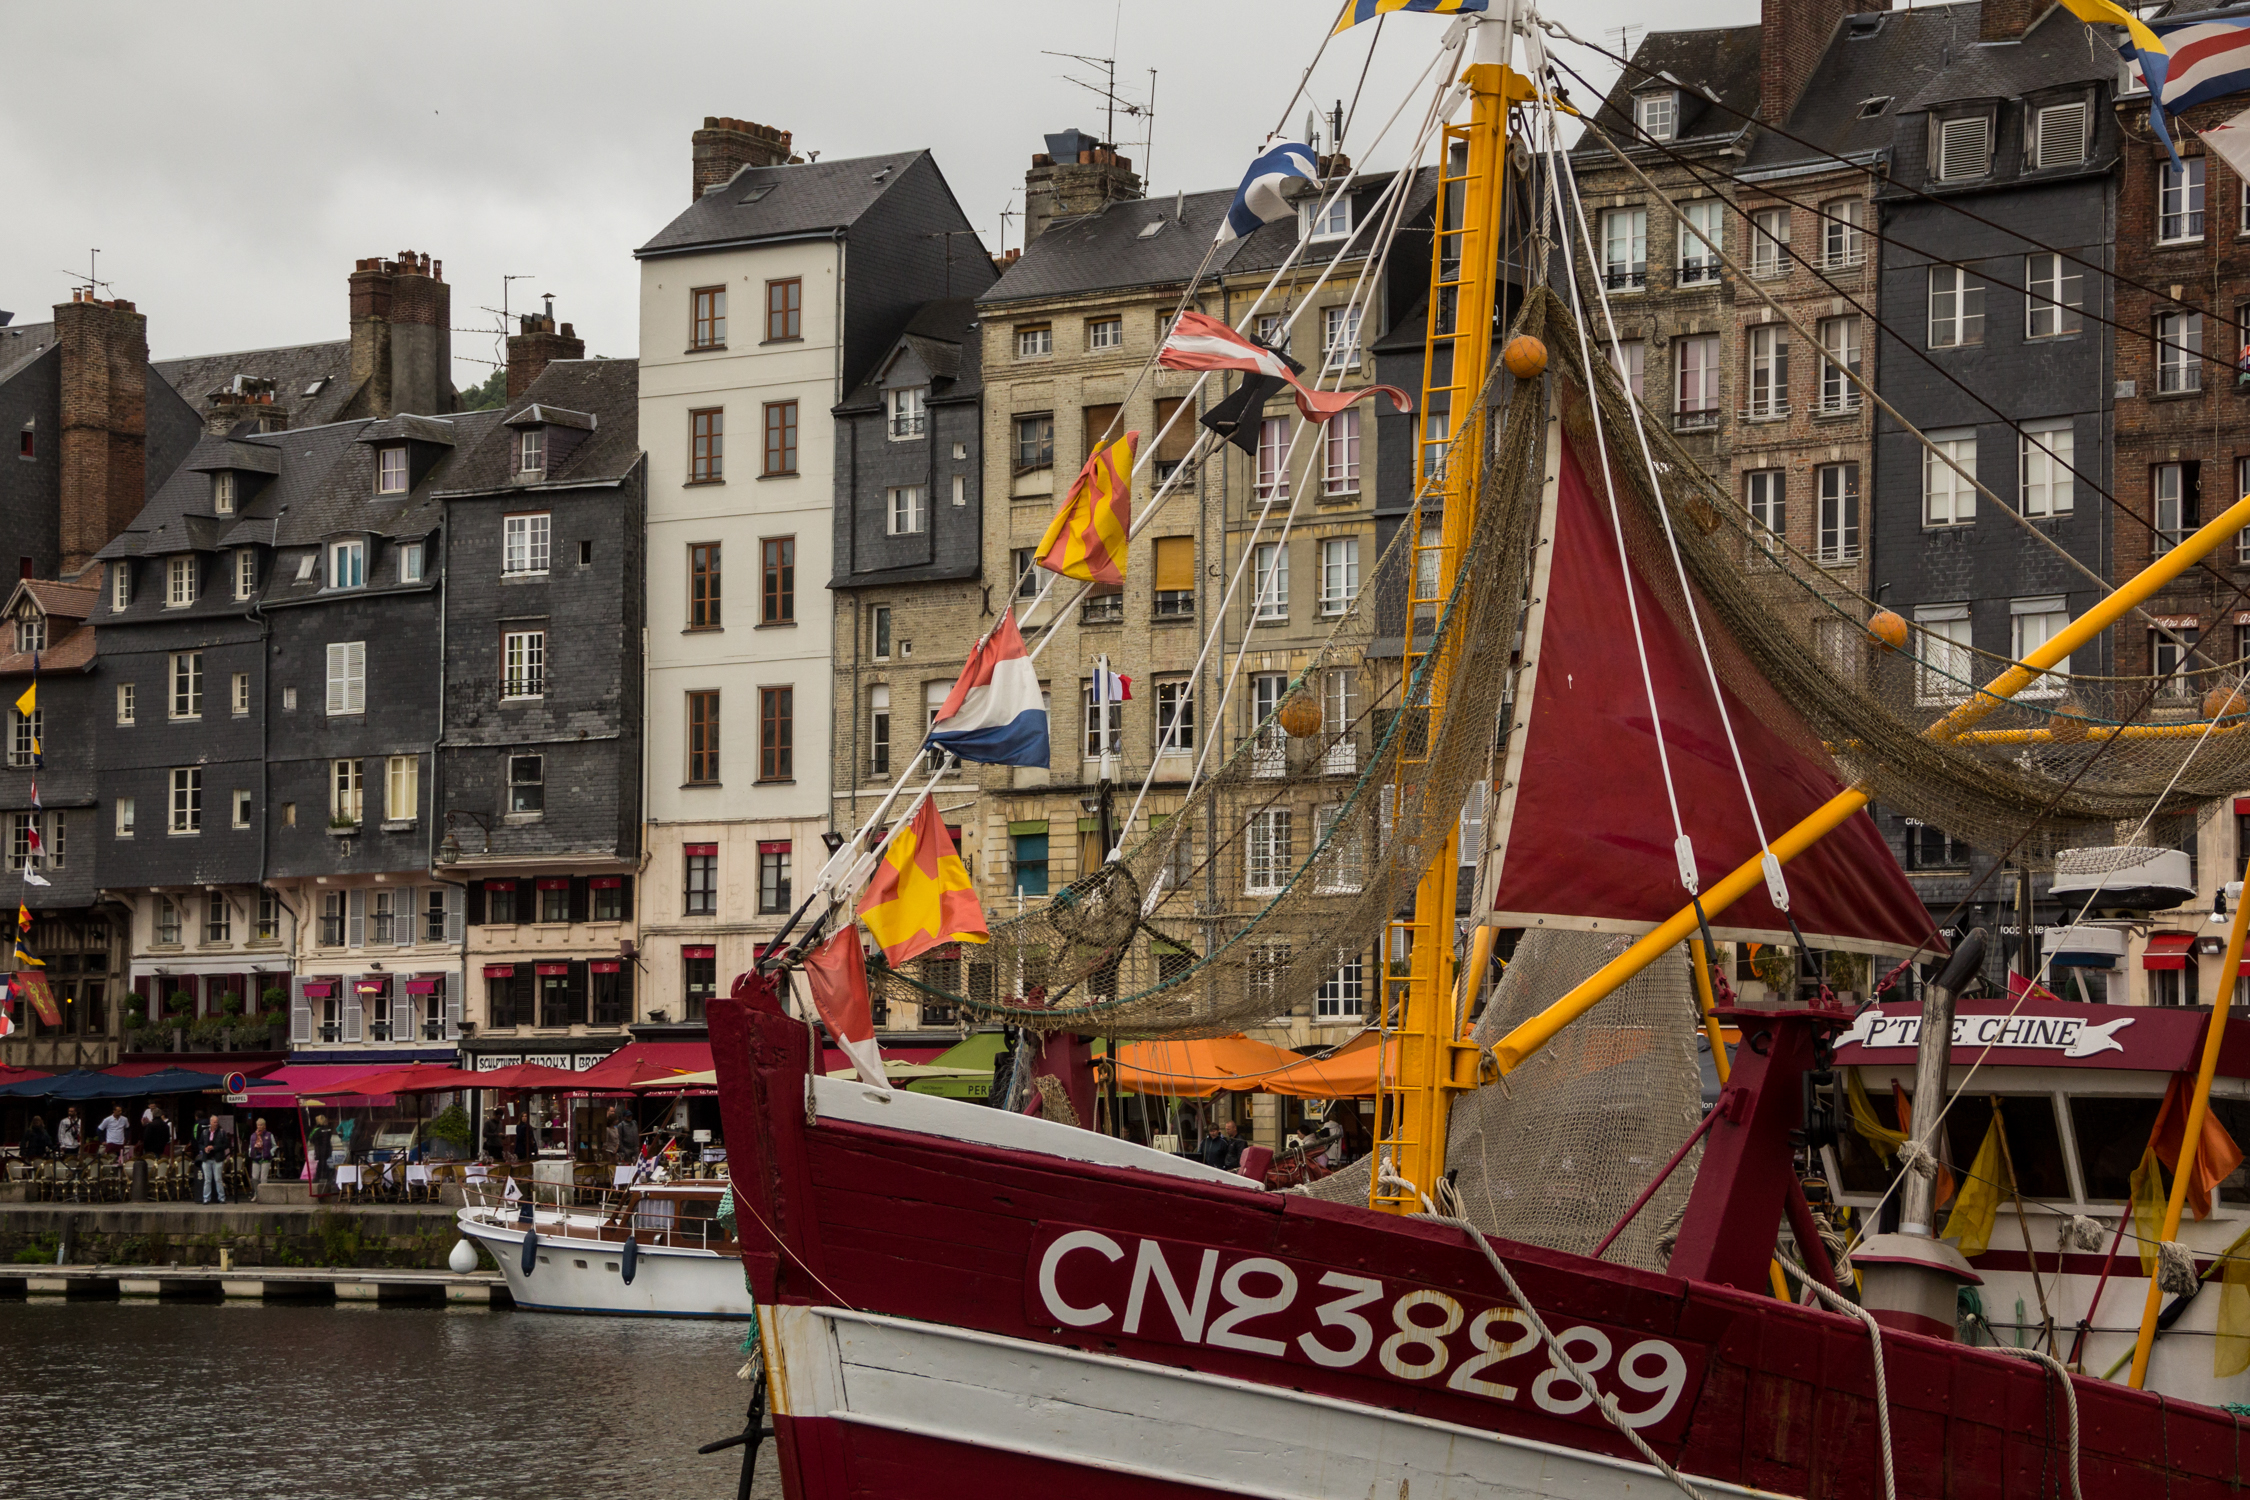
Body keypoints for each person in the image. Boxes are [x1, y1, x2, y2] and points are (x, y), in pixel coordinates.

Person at [192, 1111, 228, 1204]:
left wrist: (214, 1147)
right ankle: (206, 1198)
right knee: (207, 1179)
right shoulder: (204, 1132)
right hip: (207, 1158)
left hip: (217, 1158)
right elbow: (199, 1143)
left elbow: (226, 1144)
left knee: (218, 1179)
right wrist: (204, 1148)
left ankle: (221, 1198)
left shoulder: (221, 1132)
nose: (216, 1124)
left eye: (217, 1122)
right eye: (214, 1122)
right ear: (210, 1122)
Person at [307, 1112, 336, 1196]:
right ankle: (325, 1175)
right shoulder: (329, 1129)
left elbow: (311, 1139)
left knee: (321, 1162)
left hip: (319, 1149)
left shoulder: (316, 1130)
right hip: (327, 1149)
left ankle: (321, 1176)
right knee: (323, 1162)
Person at [247, 1118, 277, 1188]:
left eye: (261, 1125)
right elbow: (250, 1146)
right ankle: (256, 1194)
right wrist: (250, 1152)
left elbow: (274, 1146)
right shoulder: (253, 1135)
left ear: (264, 1126)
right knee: (254, 1178)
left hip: (265, 1158)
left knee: (263, 1178)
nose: (259, 1126)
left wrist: (270, 1153)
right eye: (258, 1125)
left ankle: (264, 1195)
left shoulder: (269, 1135)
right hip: (255, 1158)